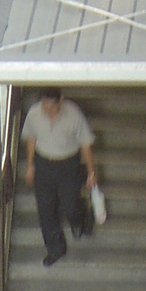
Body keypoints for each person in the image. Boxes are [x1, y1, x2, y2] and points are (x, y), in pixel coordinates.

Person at [22, 89, 97, 267]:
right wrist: (30, 165)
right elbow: (31, 138)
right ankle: (55, 248)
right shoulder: (34, 113)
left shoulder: (73, 114)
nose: (47, 110)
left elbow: (85, 144)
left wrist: (91, 172)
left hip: (68, 164)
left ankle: (80, 217)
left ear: (60, 101)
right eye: (44, 106)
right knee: (45, 209)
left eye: (51, 107)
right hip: (44, 164)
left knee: (69, 204)